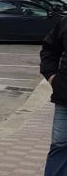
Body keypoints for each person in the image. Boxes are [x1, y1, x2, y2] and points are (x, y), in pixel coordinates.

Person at [41, 15, 67, 176]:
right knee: (59, 145)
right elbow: (49, 49)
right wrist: (52, 77)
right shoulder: (65, 22)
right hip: (65, 99)